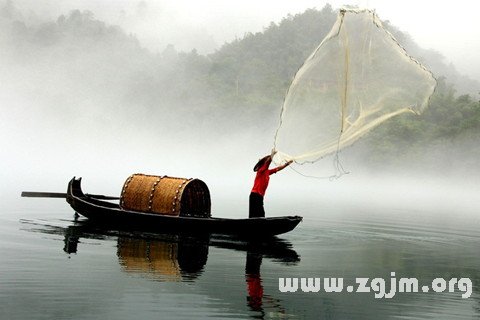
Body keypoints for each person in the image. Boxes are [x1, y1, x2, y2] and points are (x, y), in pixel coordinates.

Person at [249, 152, 293, 218]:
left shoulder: (267, 172)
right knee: (254, 215)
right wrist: (272, 154)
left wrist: (287, 164)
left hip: (260, 196)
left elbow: (278, 169)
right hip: (255, 195)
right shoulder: (260, 171)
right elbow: (267, 163)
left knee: (261, 214)